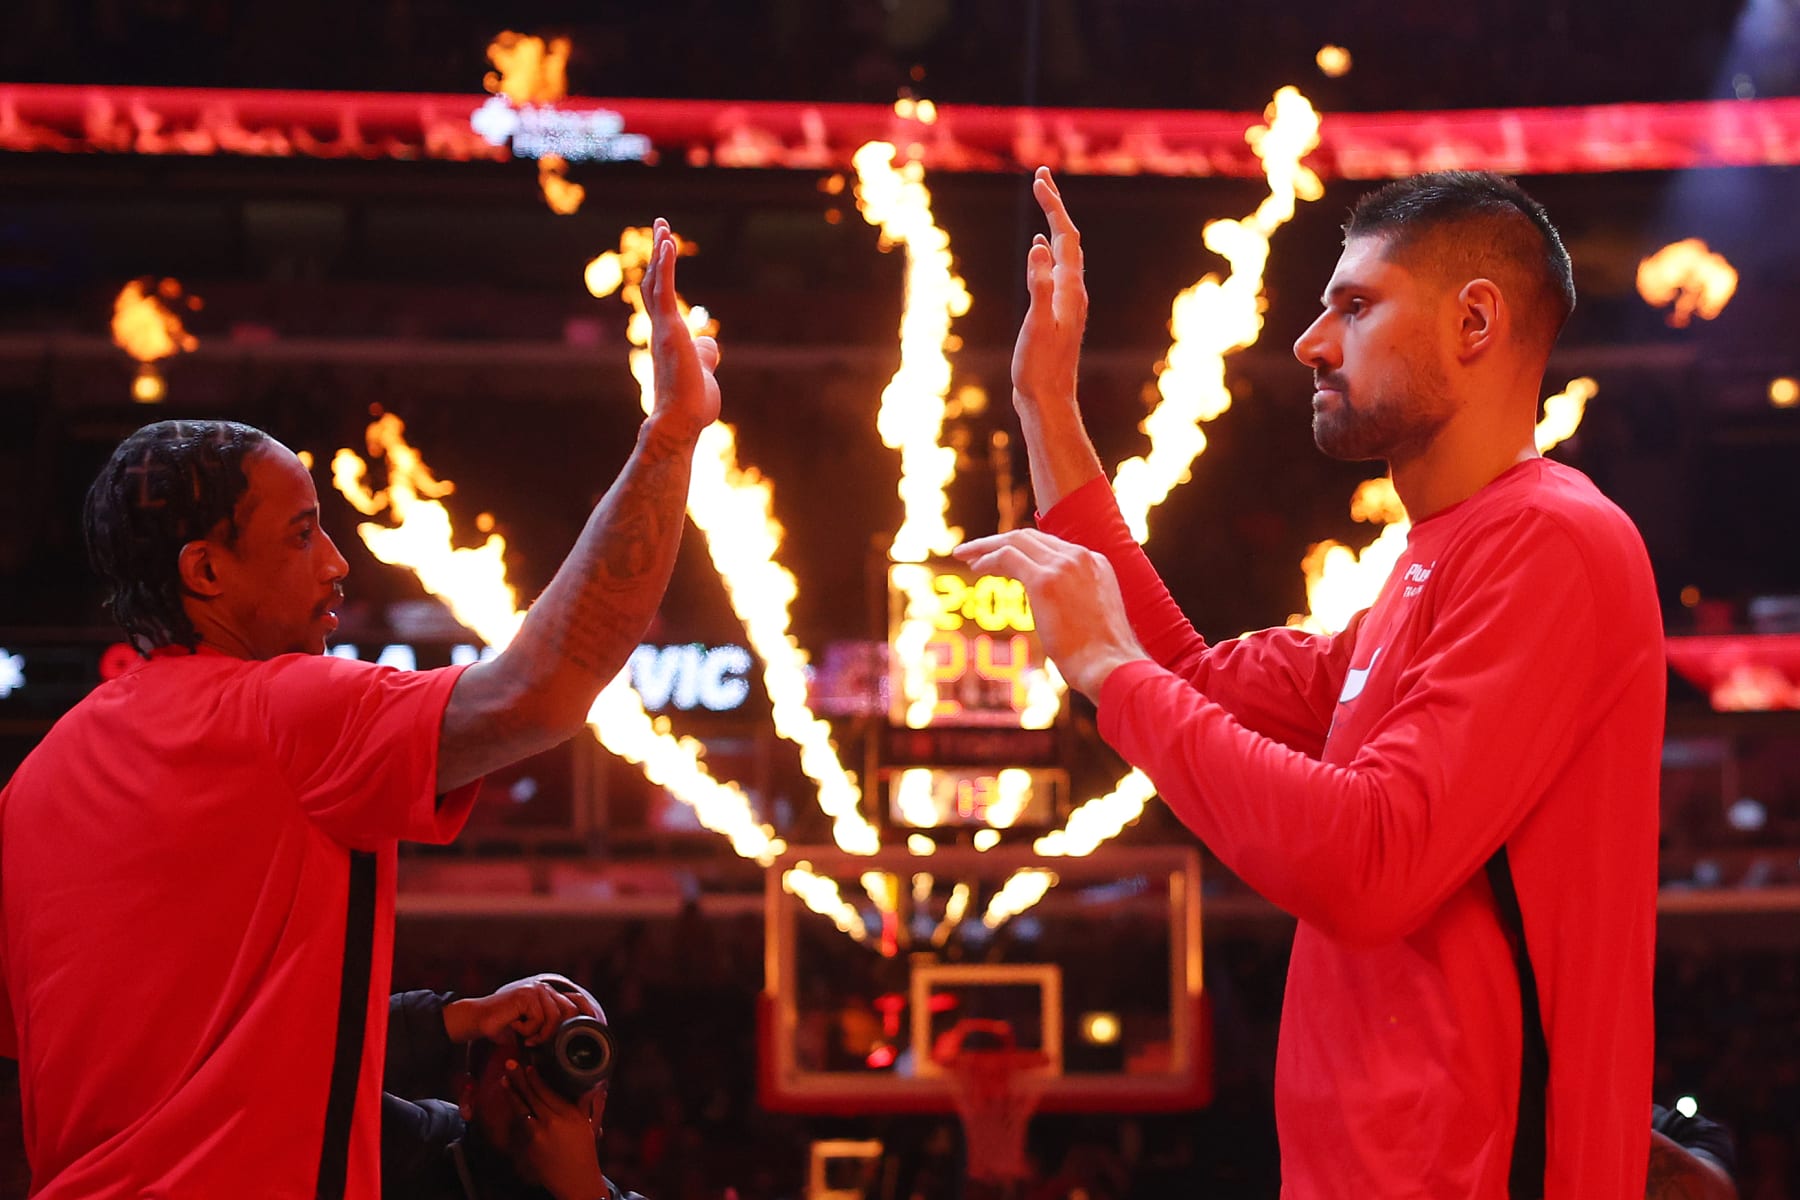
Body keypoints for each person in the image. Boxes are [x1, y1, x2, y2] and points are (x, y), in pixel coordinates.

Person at [957, 169, 1663, 1198]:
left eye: (1356, 304)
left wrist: (1107, 672)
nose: (1311, 342)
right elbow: (1189, 678)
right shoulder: (1437, 561)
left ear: (1475, 320)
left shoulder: (1553, 541)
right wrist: (1046, 405)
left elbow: (1369, 862)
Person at [0, 220, 717, 1199]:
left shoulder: (39, 780)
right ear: (207, 570)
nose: (338, 566)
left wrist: (450, 1022)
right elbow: (543, 687)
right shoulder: (283, 712)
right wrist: (669, 439)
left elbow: (201, 1051)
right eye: (303, 537)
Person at [381, 973, 645, 1200]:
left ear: (599, 1108)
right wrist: (466, 1015)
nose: (546, 1090)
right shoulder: (412, 1154)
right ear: (469, 1095)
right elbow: (341, 1057)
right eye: (527, 1057)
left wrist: (587, 1194)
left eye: (573, 1063)